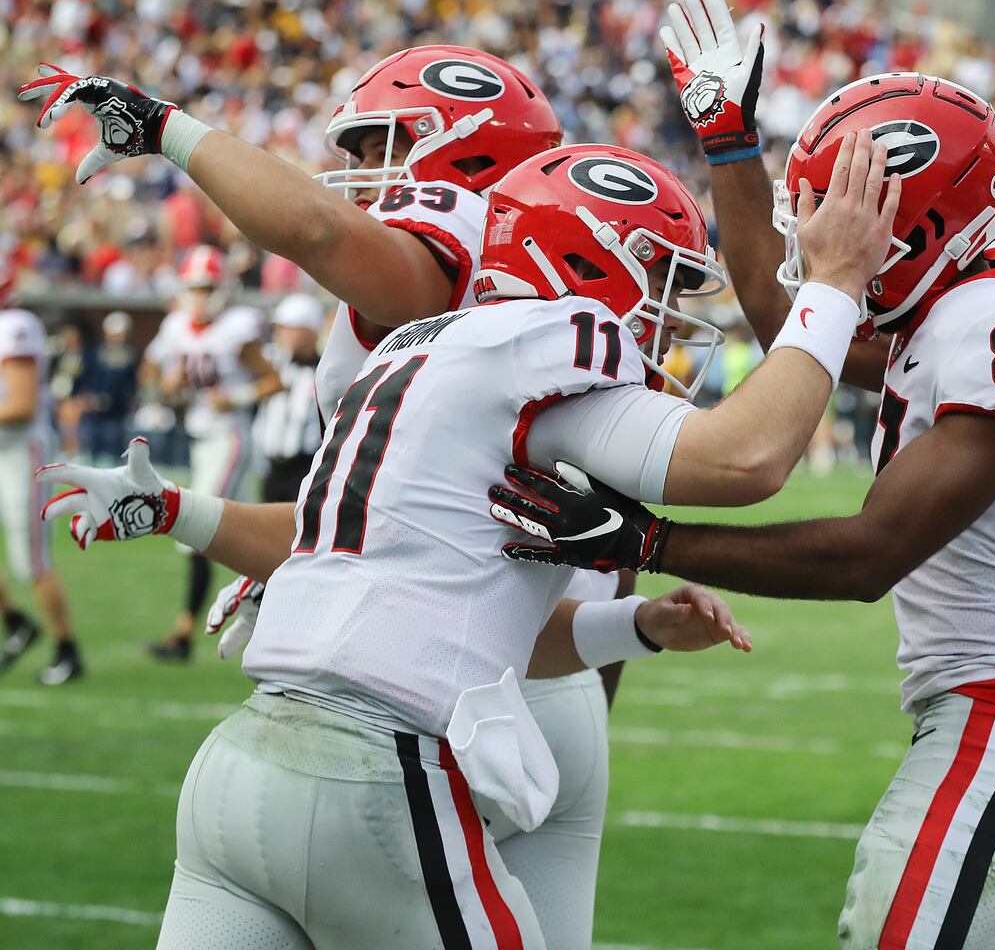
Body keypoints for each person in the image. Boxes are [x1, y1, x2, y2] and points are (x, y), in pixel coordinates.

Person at [486, 0, 995, 950]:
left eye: (843, 218)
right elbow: (789, 324)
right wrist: (729, 145)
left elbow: (867, 556)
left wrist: (647, 542)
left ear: (917, 222)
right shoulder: (959, 312)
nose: (822, 243)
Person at [37, 133, 894, 949]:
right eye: (662, 280)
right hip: (376, 777)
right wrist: (831, 287)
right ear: (589, 263)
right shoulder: (549, 350)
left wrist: (635, 626)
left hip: (240, 769)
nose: (670, 322)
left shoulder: (416, 353)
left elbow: (474, 624)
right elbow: (747, 457)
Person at [21, 47, 693, 950]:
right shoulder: (559, 322)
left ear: (462, 148)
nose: (359, 168)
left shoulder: (463, 249)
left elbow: (318, 229)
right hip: (535, 676)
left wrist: (165, 128)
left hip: (436, 700)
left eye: (382, 141)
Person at [140, 244, 283, 659]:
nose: (200, 296)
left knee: (195, 528)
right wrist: (165, 385)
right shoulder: (175, 326)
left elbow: (274, 380)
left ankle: (184, 633)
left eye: (207, 288)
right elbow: (150, 371)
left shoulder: (236, 327)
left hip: (230, 437)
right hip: (198, 439)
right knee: (259, 536)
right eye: (195, 288)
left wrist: (236, 397)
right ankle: (277, 606)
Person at [0, 277, 80, 684]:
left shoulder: (14, 326)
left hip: (20, 452)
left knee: (30, 559)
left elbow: (21, 405)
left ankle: (67, 649)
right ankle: (16, 622)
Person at [254, 293, 326, 503]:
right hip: (273, 466)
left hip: (306, 466)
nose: (281, 334)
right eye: (280, 328)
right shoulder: (274, 361)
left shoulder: (323, 369)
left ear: (310, 330)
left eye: (290, 328)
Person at [75, 311, 140, 464]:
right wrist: (86, 398)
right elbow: (81, 379)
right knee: (89, 455)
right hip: (92, 414)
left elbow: (132, 385)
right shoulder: (93, 354)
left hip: (116, 414)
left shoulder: (130, 356)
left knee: (113, 457)